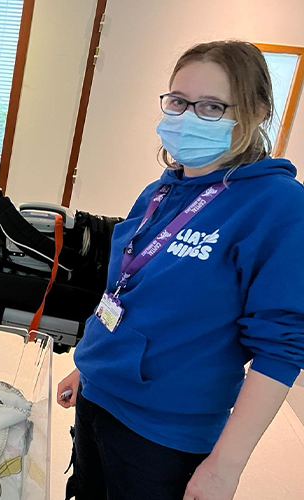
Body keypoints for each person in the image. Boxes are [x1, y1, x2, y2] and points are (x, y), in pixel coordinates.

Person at [57, 40, 304, 500]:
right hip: (98, 399)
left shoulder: (278, 206)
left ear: (255, 111)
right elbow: (127, 292)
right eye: (178, 102)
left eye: (212, 106)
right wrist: (92, 366)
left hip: (165, 434)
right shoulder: (160, 191)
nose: (188, 117)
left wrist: (225, 467)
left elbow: (283, 349)